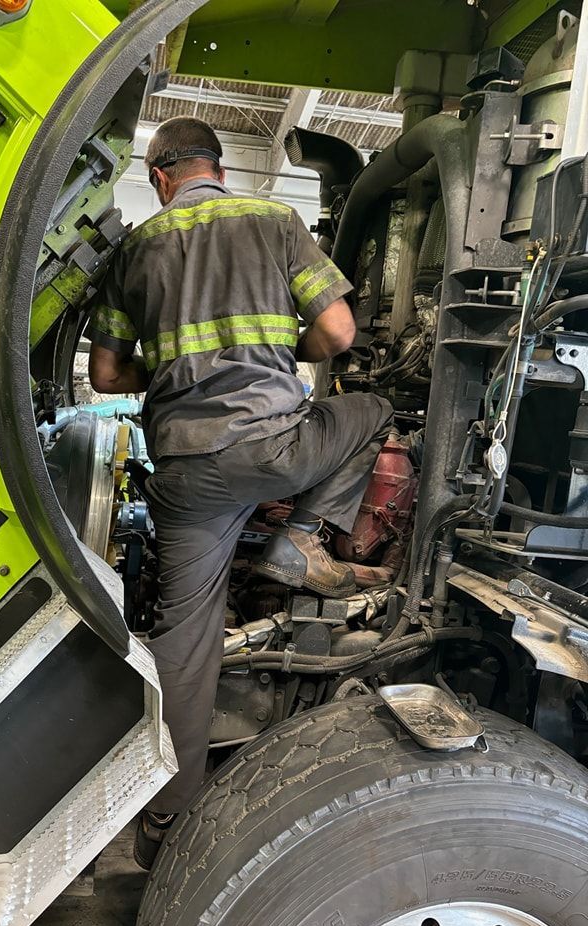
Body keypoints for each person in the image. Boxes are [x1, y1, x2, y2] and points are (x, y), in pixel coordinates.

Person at [87, 117, 392, 868]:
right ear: (216, 166)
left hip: (186, 473)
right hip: (272, 449)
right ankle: (300, 540)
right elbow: (341, 333)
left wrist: (162, 374)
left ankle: (164, 823)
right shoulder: (275, 219)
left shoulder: (138, 248)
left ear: (161, 176)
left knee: (184, 648)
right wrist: (292, 352)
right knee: (373, 411)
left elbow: (103, 376)